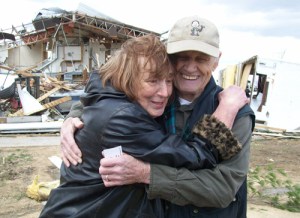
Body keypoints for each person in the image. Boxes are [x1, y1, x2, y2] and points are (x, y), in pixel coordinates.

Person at [61, 16, 255, 217]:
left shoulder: (235, 114)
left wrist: (146, 174)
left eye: (201, 59)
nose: (190, 67)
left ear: (216, 62)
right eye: (182, 57)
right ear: (168, 58)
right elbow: (106, 99)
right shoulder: (153, 98)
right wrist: (72, 118)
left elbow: (221, 189)